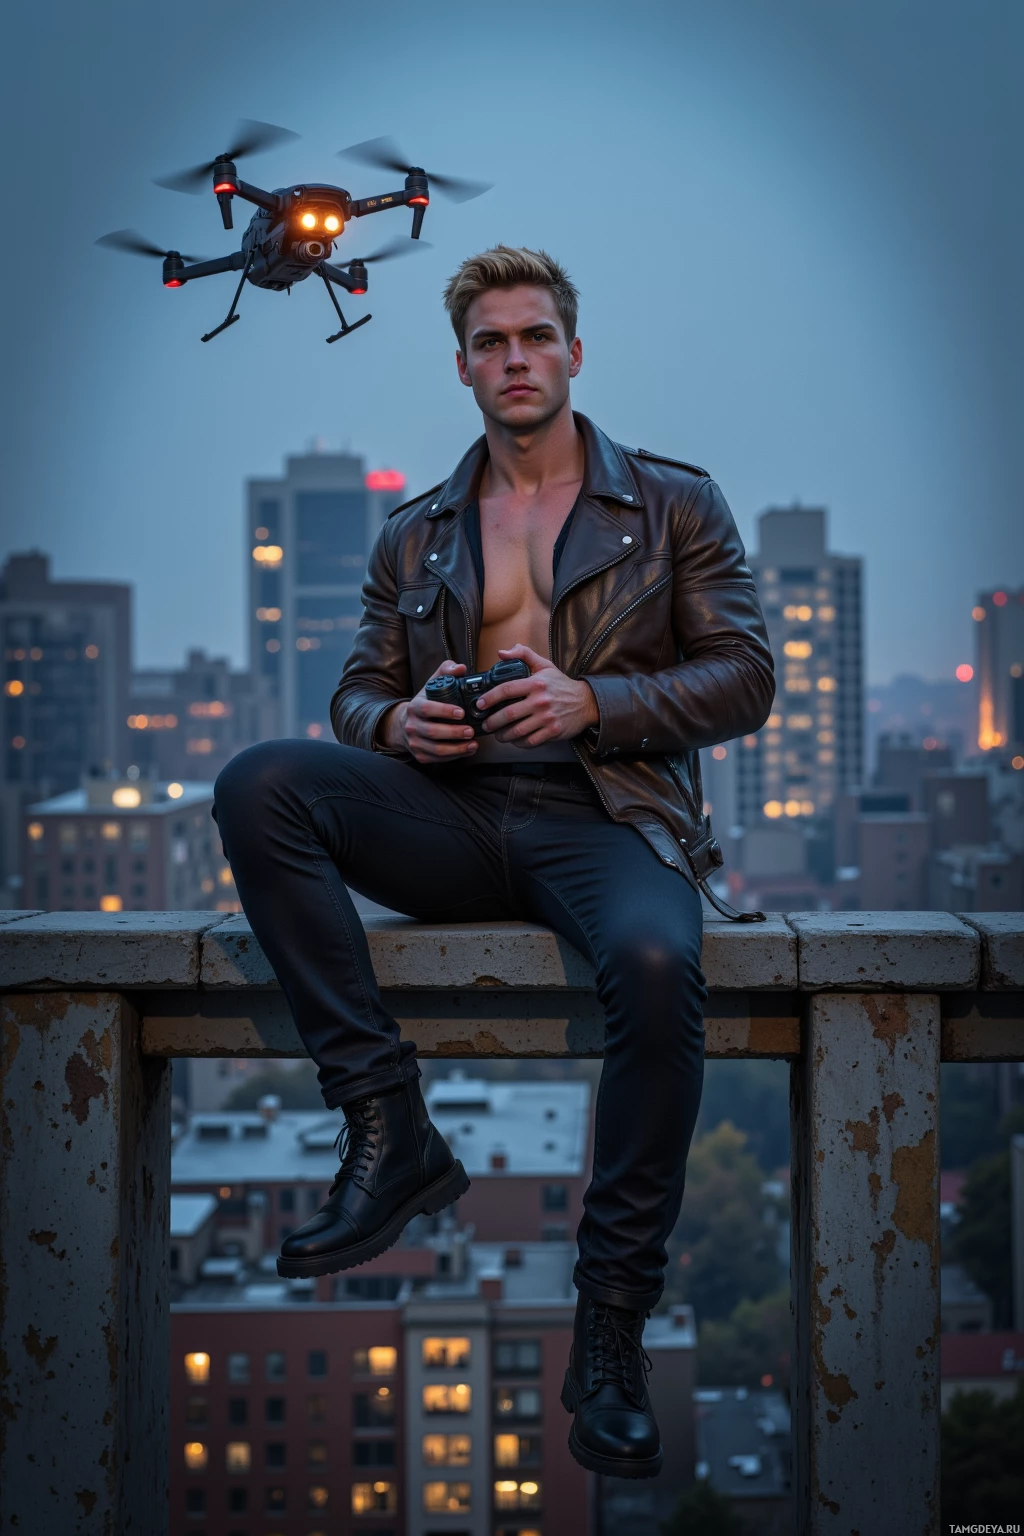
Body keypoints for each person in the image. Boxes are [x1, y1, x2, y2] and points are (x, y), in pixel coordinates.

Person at [213, 246, 775, 1478]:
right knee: (260, 784)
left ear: (574, 352)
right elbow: (357, 687)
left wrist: (595, 703)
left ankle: (611, 1328)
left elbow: (748, 678)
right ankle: (388, 1127)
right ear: (461, 364)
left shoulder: (673, 504)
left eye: (534, 337)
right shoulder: (415, 535)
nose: (513, 359)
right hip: (451, 815)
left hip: (605, 817)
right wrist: (389, 723)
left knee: (650, 958)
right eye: (489, 342)